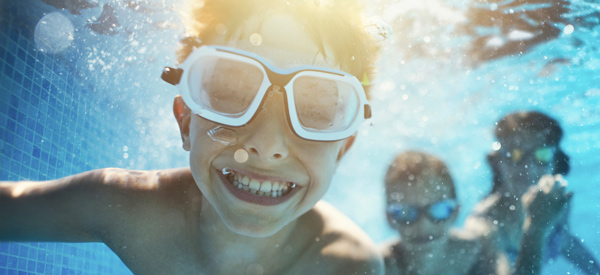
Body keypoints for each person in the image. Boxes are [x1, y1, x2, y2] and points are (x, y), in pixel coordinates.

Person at [0, 0, 384, 274]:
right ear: (186, 121)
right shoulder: (127, 211)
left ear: (343, 148)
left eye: (315, 112)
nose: (266, 146)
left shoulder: (344, 265)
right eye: (231, 94)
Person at [465, 111, 600, 274]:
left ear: (555, 162)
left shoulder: (556, 200)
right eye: (515, 154)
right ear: (499, 162)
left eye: (541, 154)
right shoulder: (485, 224)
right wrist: (536, 229)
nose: (528, 167)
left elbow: (564, 241)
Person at [380, 151, 511, 275]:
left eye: (438, 209)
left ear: (455, 212)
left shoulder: (479, 251)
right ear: (389, 218)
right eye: (406, 212)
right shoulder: (378, 267)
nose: (423, 224)